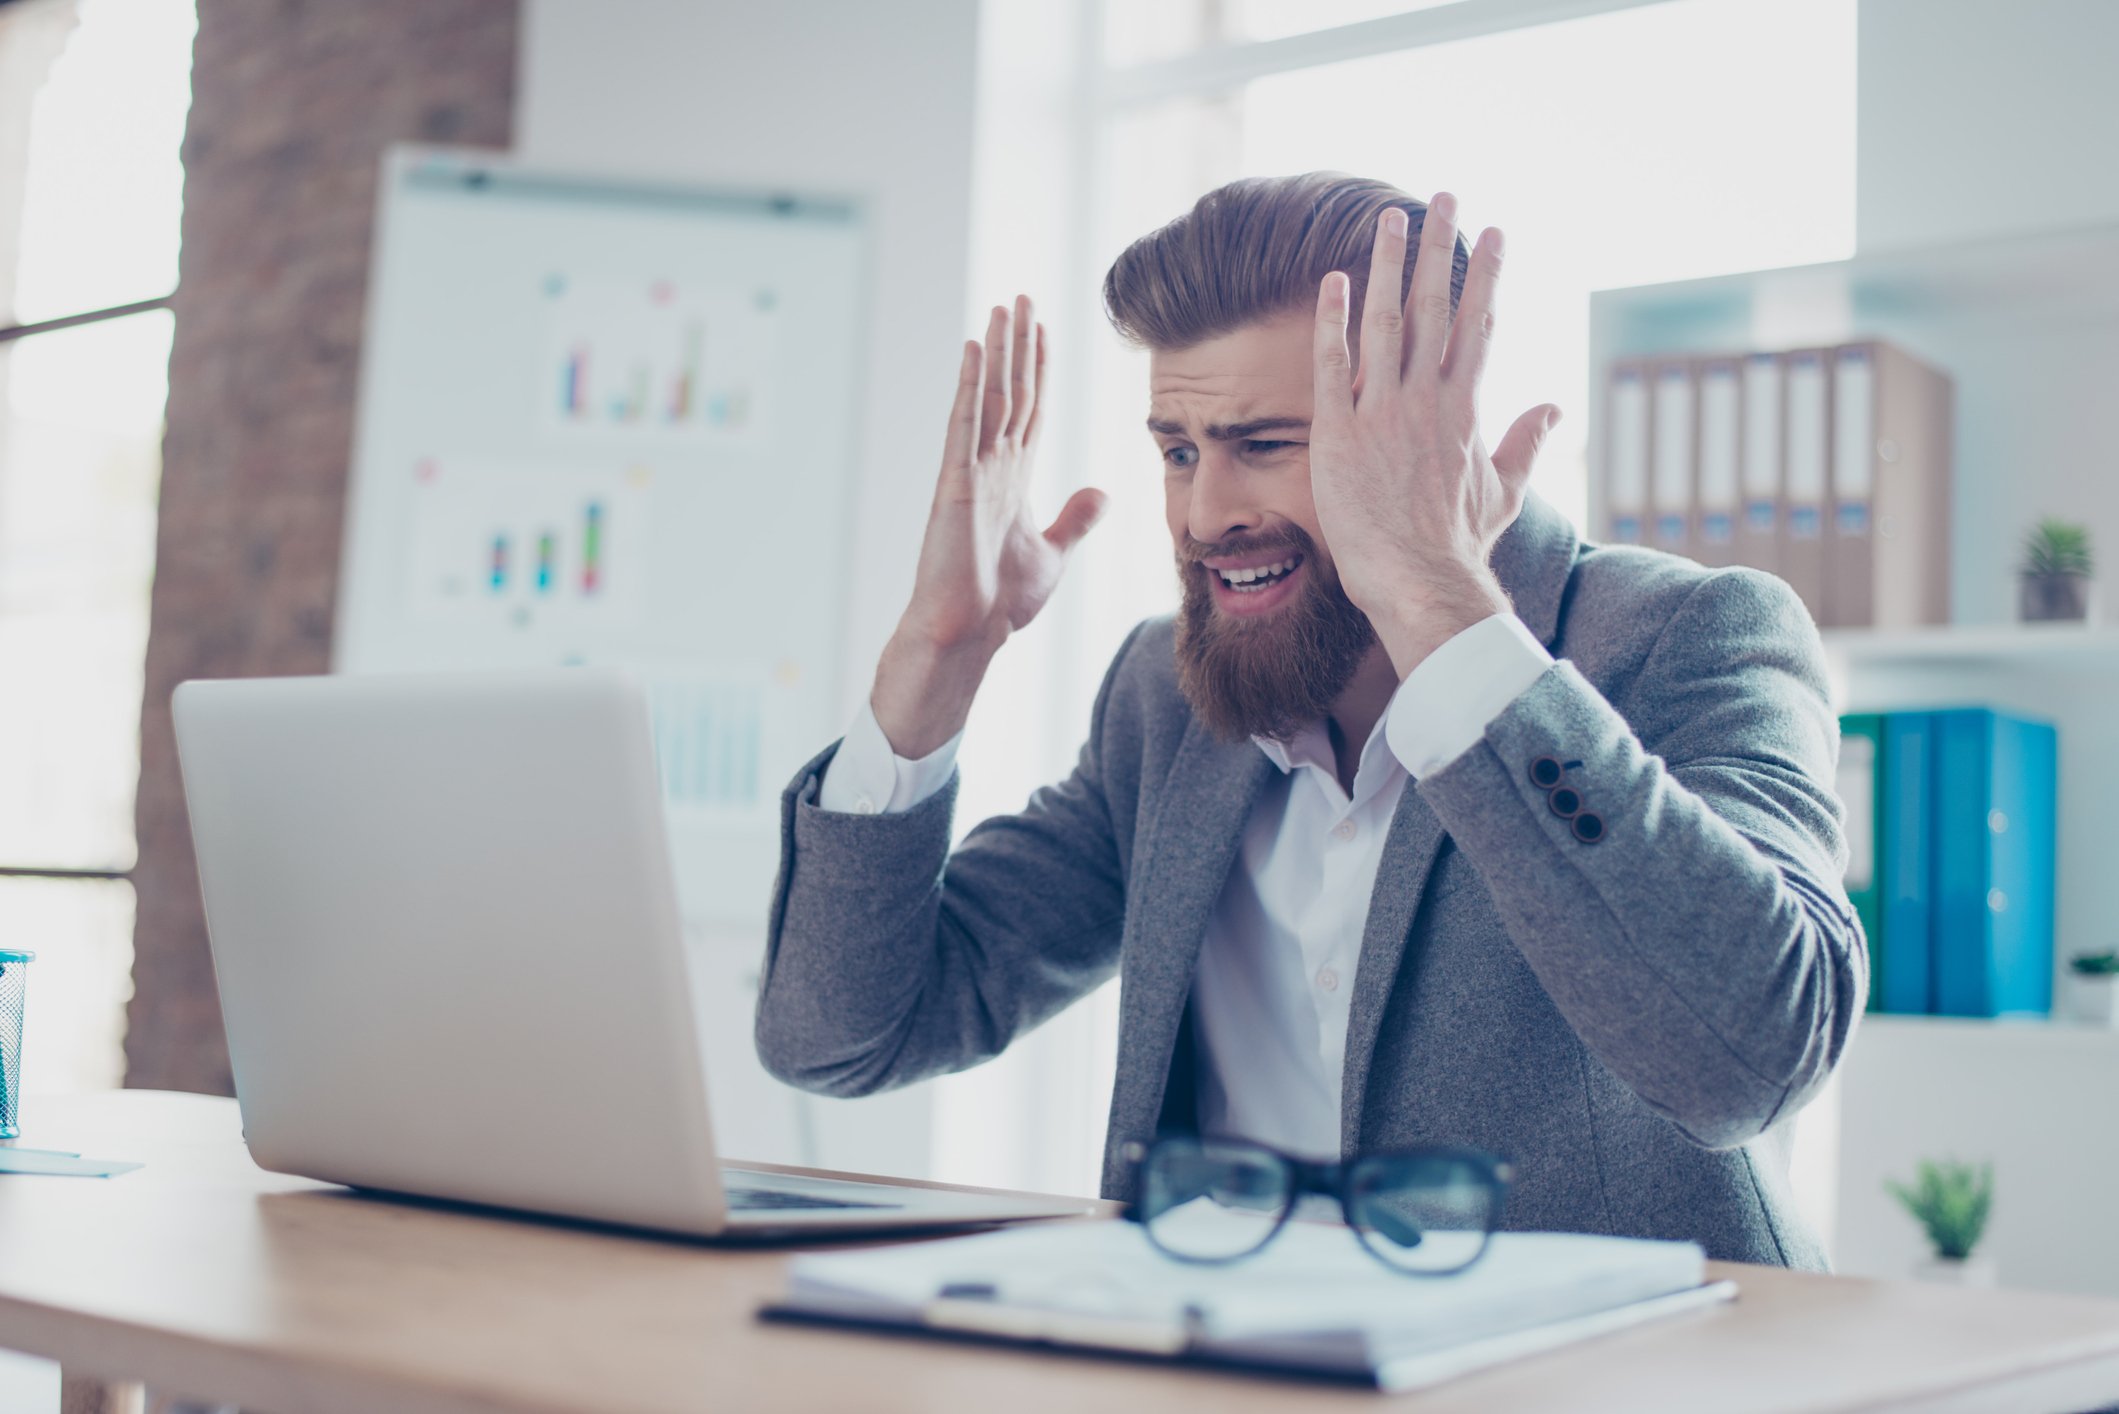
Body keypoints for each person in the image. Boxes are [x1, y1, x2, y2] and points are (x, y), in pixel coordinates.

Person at [755, 172, 1863, 1267]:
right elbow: (838, 1035)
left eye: (1265, 446)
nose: (1204, 514)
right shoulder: (1165, 697)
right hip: (1234, 1339)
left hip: (1622, 1357)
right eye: (1179, 451)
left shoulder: (1689, 635)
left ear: (1429, 430)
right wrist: (937, 656)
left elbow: (1752, 1061)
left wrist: (1441, 608)